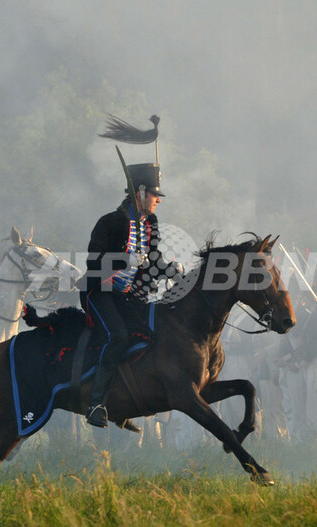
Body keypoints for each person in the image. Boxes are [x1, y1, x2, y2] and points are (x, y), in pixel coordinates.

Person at [81, 114, 177, 428]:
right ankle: (95, 404)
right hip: (100, 292)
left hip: (129, 296)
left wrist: (173, 271)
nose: (157, 201)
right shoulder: (111, 222)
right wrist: (124, 263)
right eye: (154, 196)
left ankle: (124, 401)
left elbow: (154, 259)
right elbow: (93, 264)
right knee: (118, 336)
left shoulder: (151, 223)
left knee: (152, 333)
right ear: (139, 194)